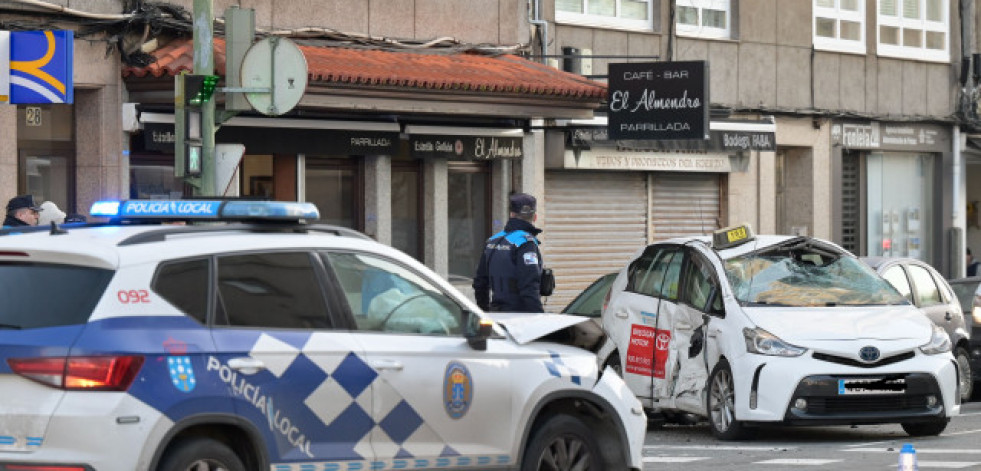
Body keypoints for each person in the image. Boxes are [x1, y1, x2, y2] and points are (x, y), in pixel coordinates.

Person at [473, 192, 545, 313]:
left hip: (496, 312)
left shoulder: (492, 241)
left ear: (511, 214)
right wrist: (539, 317)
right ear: (535, 217)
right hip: (520, 316)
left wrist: (484, 311)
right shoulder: (525, 243)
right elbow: (529, 286)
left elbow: (480, 283)